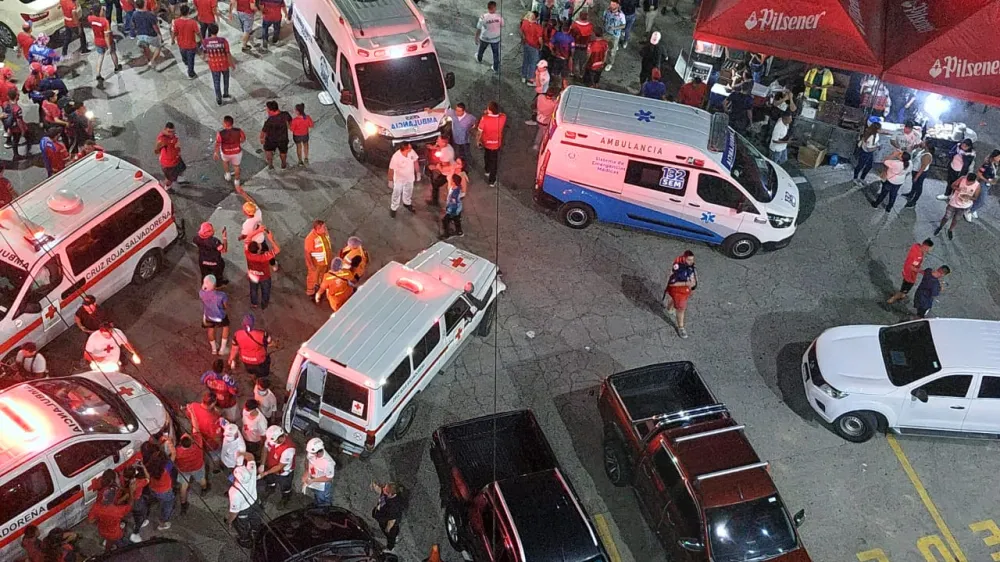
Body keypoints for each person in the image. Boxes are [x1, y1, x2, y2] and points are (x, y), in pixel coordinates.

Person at [88, 472, 133, 551]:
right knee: (123, 544)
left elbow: (90, 520)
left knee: (109, 543)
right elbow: (130, 505)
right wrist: (131, 492)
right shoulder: (117, 510)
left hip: (102, 530)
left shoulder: (96, 506)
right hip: (115, 533)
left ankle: (107, 551)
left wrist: (100, 518)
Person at [934, 173, 980, 240]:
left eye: (969, 182)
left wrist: (968, 197)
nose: (967, 182)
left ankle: (950, 230)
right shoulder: (962, 178)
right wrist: (958, 189)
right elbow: (952, 185)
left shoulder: (977, 185)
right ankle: (940, 227)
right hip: (954, 202)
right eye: (967, 180)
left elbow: (975, 198)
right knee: (946, 216)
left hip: (964, 205)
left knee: (956, 219)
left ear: (974, 181)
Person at [228, 459, 263, 547]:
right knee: (256, 520)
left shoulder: (234, 492)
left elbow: (234, 512)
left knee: (242, 526)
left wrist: (229, 521)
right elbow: (250, 457)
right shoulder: (252, 471)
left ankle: (245, 541)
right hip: (255, 503)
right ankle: (257, 535)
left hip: (244, 510)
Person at [887, 239, 933, 305]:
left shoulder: (916, 247)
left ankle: (902, 296)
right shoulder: (917, 255)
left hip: (908, 273)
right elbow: (911, 266)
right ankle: (892, 299)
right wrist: (921, 271)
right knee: (904, 290)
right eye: (928, 249)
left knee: (904, 288)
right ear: (925, 246)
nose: (929, 251)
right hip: (910, 276)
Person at [244, 226, 280, 309]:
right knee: (265, 291)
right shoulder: (264, 257)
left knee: (253, 289)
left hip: (252, 275)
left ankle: (254, 303)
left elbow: (248, 237)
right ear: (258, 250)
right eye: (259, 245)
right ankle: (264, 304)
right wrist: (271, 239)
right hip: (264, 277)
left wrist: (258, 230)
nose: (260, 244)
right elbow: (277, 250)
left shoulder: (247, 252)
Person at [663, 250, 696, 339]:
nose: (691, 262)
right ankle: (681, 327)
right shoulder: (678, 268)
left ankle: (670, 309)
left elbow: (693, 273)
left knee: (675, 302)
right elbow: (672, 283)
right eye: (689, 260)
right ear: (684, 258)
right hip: (678, 292)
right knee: (681, 309)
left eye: (692, 260)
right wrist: (686, 284)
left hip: (685, 290)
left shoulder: (689, 265)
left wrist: (693, 286)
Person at [174, 432, 209, 515]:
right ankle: (204, 489)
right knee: (201, 479)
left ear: (180, 443)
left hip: (184, 470)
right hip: (197, 467)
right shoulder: (197, 444)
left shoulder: (177, 451)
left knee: (183, 487)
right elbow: (196, 430)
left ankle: (183, 504)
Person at [187, 391, 223, 471]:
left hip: (199, 439)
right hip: (211, 444)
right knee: (215, 456)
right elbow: (216, 437)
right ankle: (216, 468)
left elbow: (189, 415)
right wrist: (220, 443)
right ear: (212, 404)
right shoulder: (212, 419)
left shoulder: (193, 406)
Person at [229, 313, 273, 379]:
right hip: (260, 361)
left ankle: (253, 376)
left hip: (246, 361)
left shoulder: (237, 334)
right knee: (263, 375)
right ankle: (261, 381)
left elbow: (234, 348)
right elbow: (270, 343)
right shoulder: (262, 335)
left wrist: (231, 359)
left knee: (251, 371)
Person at [261, 425, 295, 508]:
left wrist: (266, 472)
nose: (271, 443)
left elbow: (280, 466)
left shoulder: (288, 449)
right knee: (270, 480)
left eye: (274, 441)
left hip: (283, 472)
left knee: (285, 486)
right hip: (270, 466)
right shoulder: (272, 438)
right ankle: (271, 488)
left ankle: (286, 497)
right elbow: (265, 449)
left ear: (280, 438)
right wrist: (262, 464)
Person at [203, 24, 236, 106]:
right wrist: (232, 64)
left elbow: (205, 55)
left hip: (214, 66)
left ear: (209, 32)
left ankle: (219, 98)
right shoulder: (223, 41)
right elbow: (228, 54)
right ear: (217, 31)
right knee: (226, 79)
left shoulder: (205, 42)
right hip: (224, 64)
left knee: (216, 82)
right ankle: (226, 94)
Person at [144, 448, 175, 530]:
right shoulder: (166, 469)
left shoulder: (149, 467)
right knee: (168, 505)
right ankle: (163, 522)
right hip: (165, 491)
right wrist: (169, 442)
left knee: (159, 498)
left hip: (153, 488)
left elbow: (147, 477)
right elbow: (174, 453)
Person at [89, 5, 122, 83]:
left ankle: (98, 74)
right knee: (113, 52)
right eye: (102, 9)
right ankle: (117, 67)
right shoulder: (104, 22)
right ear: (100, 11)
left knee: (100, 56)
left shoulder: (91, 19)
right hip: (106, 41)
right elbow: (107, 36)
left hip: (97, 40)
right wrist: (109, 47)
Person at [477, 101, 506, 188]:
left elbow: (479, 132)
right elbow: (502, 114)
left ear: (490, 110)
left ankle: (487, 170)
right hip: (496, 143)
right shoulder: (503, 118)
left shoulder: (484, 118)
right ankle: (492, 180)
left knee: (487, 156)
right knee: (494, 161)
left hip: (486, 142)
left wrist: (478, 141)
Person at [388, 141, 419, 217]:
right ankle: (394, 208)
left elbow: (415, 161)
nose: (411, 148)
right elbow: (391, 169)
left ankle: (407, 203)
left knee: (408, 191)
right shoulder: (396, 157)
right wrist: (390, 180)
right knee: (396, 193)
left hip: (410, 178)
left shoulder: (411, 152)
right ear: (405, 149)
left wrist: (418, 172)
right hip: (399, 179)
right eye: (409, 147)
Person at [968, 149, 1000, 221]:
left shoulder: (996, 163)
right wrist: (985, 180)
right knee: (982, 200)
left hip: (989, 183)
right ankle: (969, 211)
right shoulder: (986, 164)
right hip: (983, 183)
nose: (999, 158)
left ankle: (973, 208)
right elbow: (979, 174)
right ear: (994, 157)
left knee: (979, 197)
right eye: (998, 157)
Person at [372, 481, 404, 552]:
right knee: (391, 532)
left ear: (390, 494)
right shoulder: (387, 493)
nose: (383, 489)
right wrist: (375, 486)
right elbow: (381, 491)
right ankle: (394, 535)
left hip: (387, 522)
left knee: (390, 535)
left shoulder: (394, 506)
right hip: (381, 515)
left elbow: (392, 521)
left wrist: (387, 529)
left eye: (385, 490)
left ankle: (390, 548)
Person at [303, 438, 336, 506]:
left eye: (312, 453)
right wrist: (308, 473)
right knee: (317, 494)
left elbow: (329, 478)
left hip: (323, 484)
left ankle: (324, 508)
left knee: (323, 497)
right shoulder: (312, 454)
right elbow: (311, 463)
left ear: (319, 452)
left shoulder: (328, 463)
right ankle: (317, 503)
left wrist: (313, 480)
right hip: (315, 479)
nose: (309, 454)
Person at [171, 5, 201, 79]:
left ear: (181, 12)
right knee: (191, 60)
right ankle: (191, 74)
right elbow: (198, 33)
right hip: (191, 45)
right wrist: (202, 40)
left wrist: (172, 40)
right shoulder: (193, 22)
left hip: (181, 44)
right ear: (188, 12)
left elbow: (174, 32)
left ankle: (187, 63)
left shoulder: (176, 22)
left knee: (184, 57)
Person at [304, 220, 332, 296]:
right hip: (316, 264)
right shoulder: (310, 238)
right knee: (312, 277)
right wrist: (311, 265)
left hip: (325, 261)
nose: (326, 228)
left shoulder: (324, 233)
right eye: (324, 227)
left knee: (322, 274)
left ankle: (320, 284)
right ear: (318, 229)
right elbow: (307, 253)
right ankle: (310, 291)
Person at [154, 122, 187, 188]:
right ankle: (167, 187)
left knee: (181, 169)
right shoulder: (163, 139)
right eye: (169, 131)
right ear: (165, 130)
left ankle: (179, 180)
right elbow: (156, 150)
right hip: (169, 164)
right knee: (169, 179)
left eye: (173, 131)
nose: (172, 133)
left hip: (176, 159)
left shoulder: (173, 136)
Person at [195, 222, 228, 287]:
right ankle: (218, 284)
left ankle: (205, 285)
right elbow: (224, 250)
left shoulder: (197, 238)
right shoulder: (214, 241)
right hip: (215, 262)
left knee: (204, 275)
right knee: (218, 273)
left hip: (203, 262)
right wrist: (224, 237)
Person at [261, 100, 291, 170]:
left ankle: (270, 165)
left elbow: (263, 131)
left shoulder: (269, 121)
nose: (267, 111)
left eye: (268, 109)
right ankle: (283, 165)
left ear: (272, 110)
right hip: (283, 139)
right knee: (283, 152)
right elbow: (290, 123)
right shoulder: (285, 114)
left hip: (271, 140)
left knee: (268, 151)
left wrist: (262, 138)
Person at [132, 0, 164, 68]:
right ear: (144, 4)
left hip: (140, 35)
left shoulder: (134, 14)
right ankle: (152, 61)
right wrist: (159, 34)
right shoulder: (149, 15)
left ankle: (148, 60)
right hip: (150, 35)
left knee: (145, 47)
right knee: (158, 47)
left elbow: (133, 24)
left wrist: (136, 31)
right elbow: (155, 26)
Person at [214, 116, 245, 185]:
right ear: (232, 123)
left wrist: (216, 152)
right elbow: (243, 139)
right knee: (236, 166)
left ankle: (228, 175)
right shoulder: (239, 131)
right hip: (237, 152)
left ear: (224, 123)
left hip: (225, 152)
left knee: (225, 162)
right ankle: (237, 181)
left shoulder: (220, 133)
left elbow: (218, 143)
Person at [427, 134, 455, 206]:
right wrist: (433, 147)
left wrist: (435, 167)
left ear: (443, 143)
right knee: (435, 184)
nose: (437, 141)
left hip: (447, 173)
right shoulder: (448, 146)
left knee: (435, 185)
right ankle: (434, 201)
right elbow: (440, 148)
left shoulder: (445, 153)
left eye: (438, 140)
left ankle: (435, 202)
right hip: (449, 170)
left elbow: (445, 166)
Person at [475, 1, 503, 73]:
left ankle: (479, 59)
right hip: (495, 38)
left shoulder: (483, 17)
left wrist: (476, 37)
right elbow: (502, 24)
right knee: (496, 54)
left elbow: (479, 28)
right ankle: (495, 68)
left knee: (481, 50)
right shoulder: (499, 17)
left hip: (485, 38)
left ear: (488, 8)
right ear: (495, 8)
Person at [853, 122, 881, 186]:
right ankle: (855, 178)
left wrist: (877, 144)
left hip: (869, 153)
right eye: (879, 129)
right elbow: (869, 149)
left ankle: (862, 178)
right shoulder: (871, 137)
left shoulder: (875, 134)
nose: (880, 130)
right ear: (876, 129)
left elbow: (875, 142)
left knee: (869, 166)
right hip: (865, 153)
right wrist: (877, 147)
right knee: (860, 166)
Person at [532, 86, 559, 151]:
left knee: (540, 130)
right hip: (545, 121)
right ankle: (539, 145)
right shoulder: (554, 104)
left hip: (538, 118)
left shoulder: (540, 97)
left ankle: (537, 144)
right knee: (542, 133)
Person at [601, 0, 625, 71]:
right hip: (606, 32)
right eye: (611, 4)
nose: (611, 6)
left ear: (617, 5)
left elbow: (623, 26)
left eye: (614, 5)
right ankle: (603, 60)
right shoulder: (607, 11)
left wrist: (615, 28)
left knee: (612, 51)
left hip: (615, 35)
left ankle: (610, 63)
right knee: (604, 48)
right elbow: (604, 19)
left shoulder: (621, 15)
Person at [440, 174, 465, 239]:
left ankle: (447, 234)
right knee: (456, 220)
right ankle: (459, 232)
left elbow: (454, 203)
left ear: (454, 182)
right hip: (458, 209)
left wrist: (451, 212)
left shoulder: (455, 192)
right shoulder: (457, 188)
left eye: (452, 180)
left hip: (453, 209)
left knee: (445, 220)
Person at [569, 11, 592, 78]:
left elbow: (571, 34)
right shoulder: (590, 26)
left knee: (574, 60)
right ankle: (581, 74)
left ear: (579, 16)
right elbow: (590, 36)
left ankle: (572, 72)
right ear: (587, 17)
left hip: (575, 46)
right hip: (584, 47)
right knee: (582, 61)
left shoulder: (574, 25)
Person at [527, 59, 549, 124]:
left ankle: (534, 120)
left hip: (542, 92)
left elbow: (539, 84)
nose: (538, 68)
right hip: (540, 91)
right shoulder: (542, 72)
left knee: (536, 107)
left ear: (545, 68)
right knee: (535, 105)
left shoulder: (545, 77)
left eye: (540, 68)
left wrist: (536, 76)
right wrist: (534, 79)